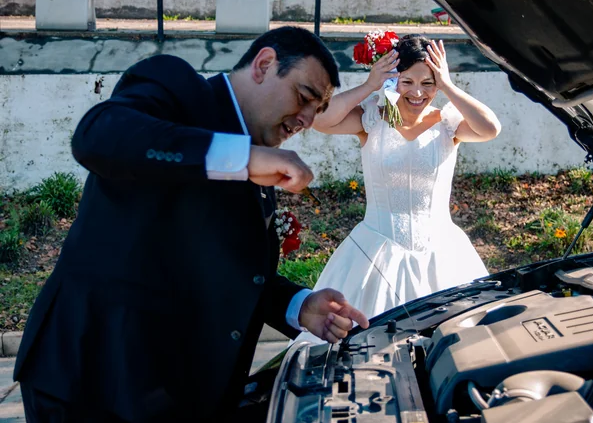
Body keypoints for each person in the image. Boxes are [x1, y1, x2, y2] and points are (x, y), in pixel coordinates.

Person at [13, 26, 369, 423]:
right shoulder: (176, 87)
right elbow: (97, 135)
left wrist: (299, 307)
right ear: (264, 64)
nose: (305, 119)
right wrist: (242, 158)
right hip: (94, 381)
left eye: (317, 110)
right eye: (304, 97)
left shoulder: (258, 159)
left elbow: (230, 270)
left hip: (177, 396)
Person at [295, 34, 501, 344]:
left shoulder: (448, 123)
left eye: (427, 83)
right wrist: (369, 85)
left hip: (442, 253)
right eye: (407, 82)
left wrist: (446, 85)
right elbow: (320, 120)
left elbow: (490, 128)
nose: (417, 92)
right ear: (394, 79)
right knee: (362, 344)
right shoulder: (372, 118)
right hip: (375, 251)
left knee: (456, 345)